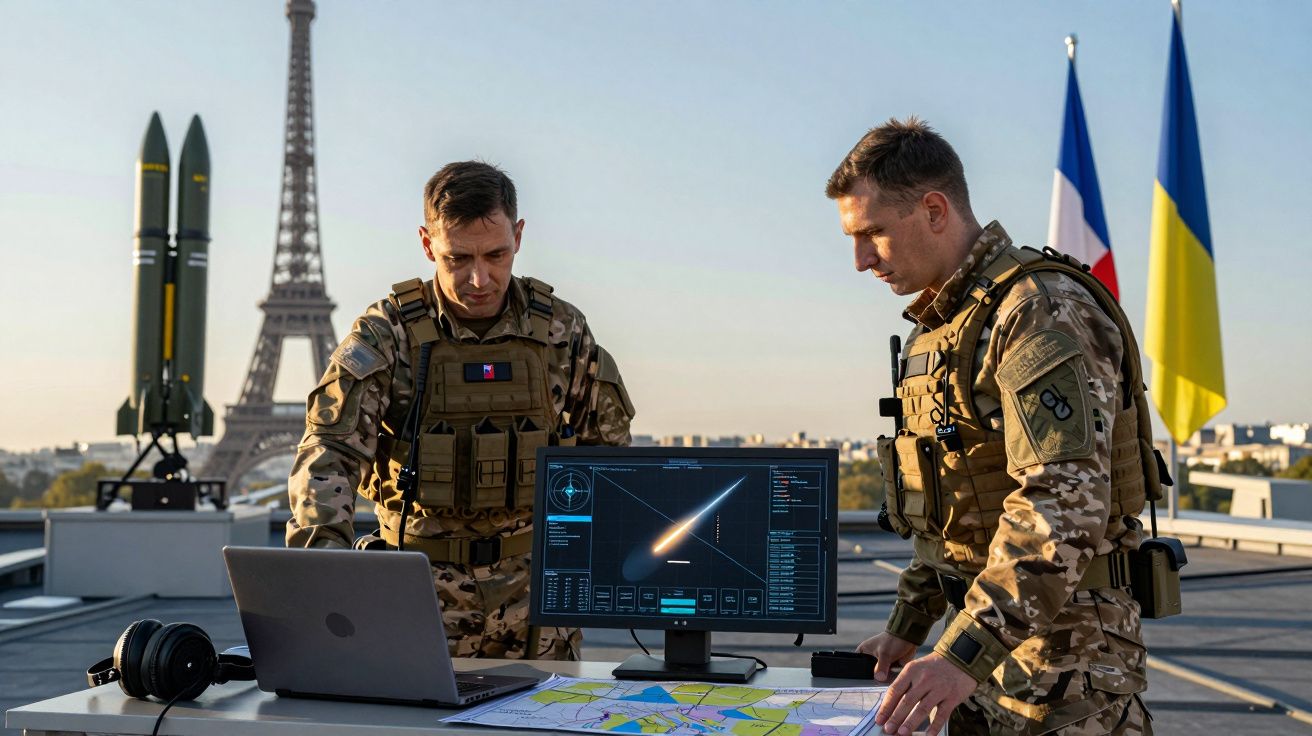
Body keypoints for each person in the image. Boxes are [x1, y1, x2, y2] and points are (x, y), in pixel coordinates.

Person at [826, 118, 1156, 735]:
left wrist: (960, 654)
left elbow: (1062, 504)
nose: (861, 259)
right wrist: (909, 625)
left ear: (934, 210)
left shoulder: (1038, 310)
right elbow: (956, 509)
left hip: (1065, 674)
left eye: (873, 233)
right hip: (983, 663)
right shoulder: (942, 326)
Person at [286, 160, 635, 660]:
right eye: (457, 258)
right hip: (416, 596)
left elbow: (609, 458)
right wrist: (325, 570)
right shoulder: (387, 333)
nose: (479, 278)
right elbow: (328, 452)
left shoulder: (563, 330)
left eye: (496, 255)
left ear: (518, 236)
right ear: (427, 244)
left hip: (535, 606)